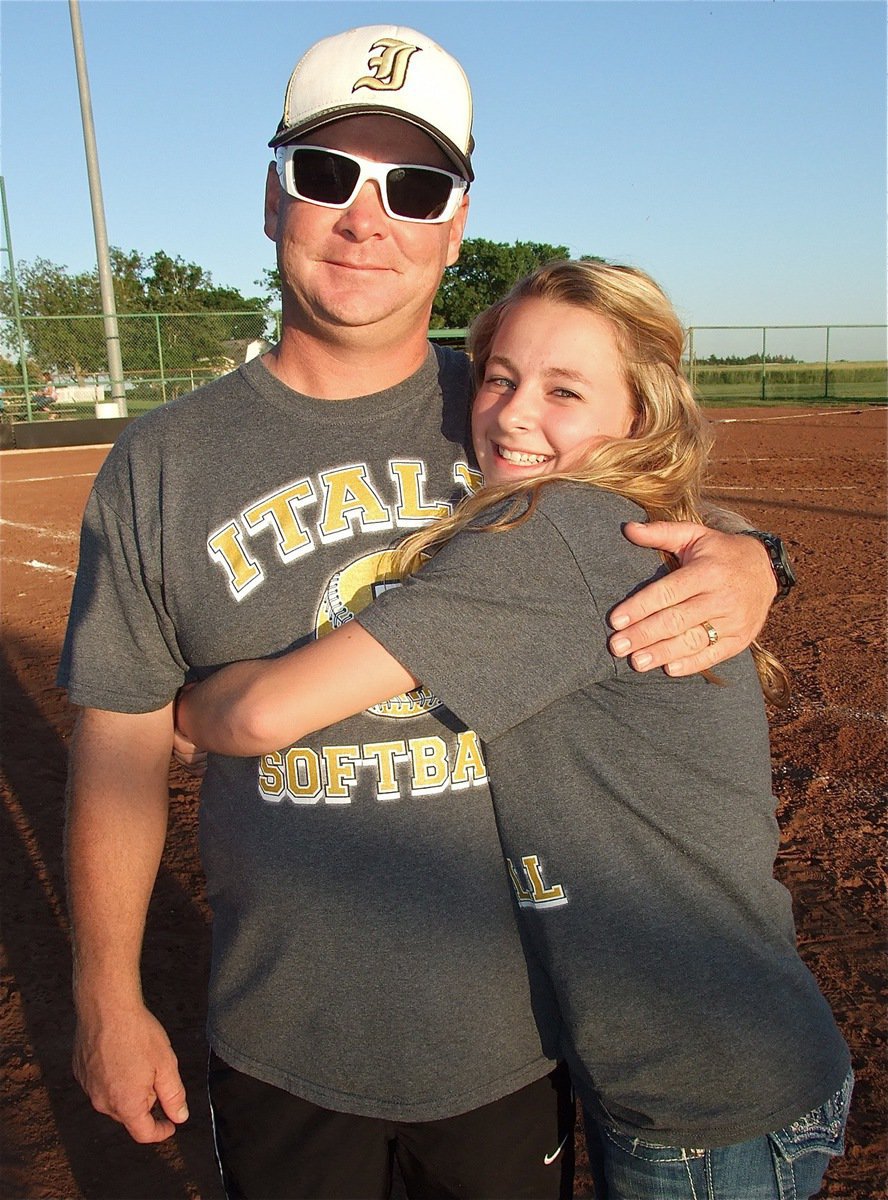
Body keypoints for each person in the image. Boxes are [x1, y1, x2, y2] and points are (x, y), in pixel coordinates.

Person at [59, 25, 786, 1200]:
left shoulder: (511, 407)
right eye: (327, 174)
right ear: (272, 196)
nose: (367, 217)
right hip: (283, 1034)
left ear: (453, 225)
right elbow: (120, 737)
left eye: (416, 185)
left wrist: (757, 556)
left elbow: (656, 508)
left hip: (513, 1030)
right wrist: (107, 999)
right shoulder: (160, 464)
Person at [176, 259, 852, 1200]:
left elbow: (258, 715)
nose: (513, 413)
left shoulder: (559, 535)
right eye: (499, 378)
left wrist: (181, 707)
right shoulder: (613, 523)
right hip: (705, 1070)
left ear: (641, 414)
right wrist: (755, 550)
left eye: (565, 390)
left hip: (706, 1095)